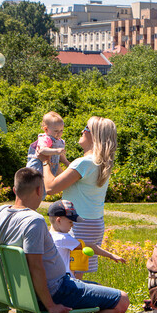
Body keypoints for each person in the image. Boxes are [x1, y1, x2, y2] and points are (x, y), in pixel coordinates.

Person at [0, 168, 129, 313]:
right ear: (39, 190)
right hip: (56, 291)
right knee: (121, 300)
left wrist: (10, 242)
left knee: (93, 287)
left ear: (15, 190)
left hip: (24, 291)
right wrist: (51, 306)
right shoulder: (34, 221)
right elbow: (36, 267)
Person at [43, 116, 116, 279]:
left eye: (86, 128)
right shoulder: (100, 162)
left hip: (76, 223)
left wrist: (44, 162)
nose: (82, 131)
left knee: (69, 272)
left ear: (94, 136)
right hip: (94, 223)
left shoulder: (83, 163)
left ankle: (72, 303)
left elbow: (50, 187)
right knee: (77, 270)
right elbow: (72, 182)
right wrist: (64, 161)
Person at [48, 199, 125, 277]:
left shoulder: (48, 236)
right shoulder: (63, 238)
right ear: (59, 220)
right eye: (70, 222)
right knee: (98, 287)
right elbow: (91, 246)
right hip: (66, 281)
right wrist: (111, 255)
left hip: (54, 278)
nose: (72, 225)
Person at [26, 111, 70, 176]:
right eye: (56, 131)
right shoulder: (46, 138)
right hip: (38, 167)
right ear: (46, 129)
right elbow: (42, 150)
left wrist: (66, 162)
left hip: (50, 167)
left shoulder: (60, 141)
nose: (59, 133)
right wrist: (56, 151)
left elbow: (60, 155)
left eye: (61, 130)